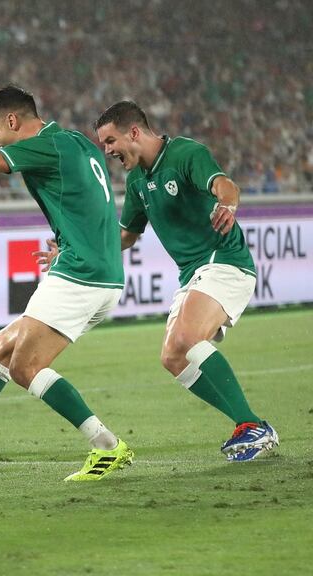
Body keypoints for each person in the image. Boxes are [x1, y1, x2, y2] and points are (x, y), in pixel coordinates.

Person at [0, 85, 134, 481]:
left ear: (12, 121)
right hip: (101, 272)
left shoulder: (45, 145)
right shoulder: (75, 141)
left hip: (81, 274)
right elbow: (94, 205)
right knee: (5, 345)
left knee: (27, 366)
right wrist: (71, 244)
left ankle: (106, 445)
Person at [92, 101, 278, 462]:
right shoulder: (136, 182)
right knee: (173, 356)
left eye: (110, 141)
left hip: (224, 261)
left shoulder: (186, 154)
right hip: (192, 274)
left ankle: (251, 427)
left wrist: (228, 205)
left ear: (134, 132)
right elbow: (126, 236)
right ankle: (250, 424)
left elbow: (226, 186)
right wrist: (78, 249)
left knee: (186, 338)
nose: (108, 150)